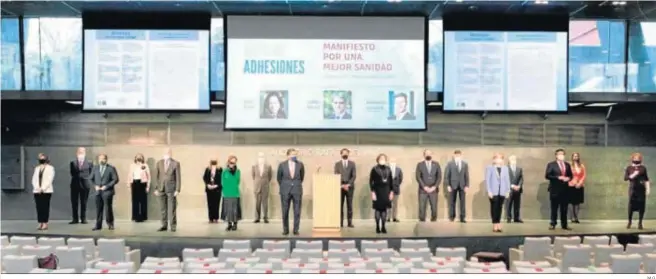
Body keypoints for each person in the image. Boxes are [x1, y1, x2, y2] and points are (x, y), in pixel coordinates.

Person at [277, 148, 305, 235]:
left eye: (295, 154)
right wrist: (285, 185)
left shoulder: (300, 164)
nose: (294, 156)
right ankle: (285, 229)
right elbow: (279, 178)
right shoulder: (282, 165)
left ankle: (296, 229)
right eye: (293, 154)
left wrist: (295, 184)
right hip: (285, 191)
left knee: (297, 211)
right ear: (288, 155)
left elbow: (302, 177)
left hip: (297, 190)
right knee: (285, 211)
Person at [544, 148, 573, 230]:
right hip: (555, 190)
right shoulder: (551, 164)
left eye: (563, 154)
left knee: (564, 208)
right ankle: (553, 223)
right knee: (554, 208)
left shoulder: (567, 165)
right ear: (556, 156)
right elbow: (547, 175)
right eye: (559, 154)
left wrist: (568, 178)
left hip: (565, 190)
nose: (561, 156)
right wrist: (558, 177)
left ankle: (564, 224)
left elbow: (571, 176)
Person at [154, 148, 181, 232]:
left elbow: (178, 177)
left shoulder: (175, 163)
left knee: (172, 208)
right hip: (161, 188)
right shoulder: (159, 163)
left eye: (169, 152)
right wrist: (156, 188)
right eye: (165, 152)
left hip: (171, 189)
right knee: (162, 208)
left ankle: (173, 226)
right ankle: (163, 225)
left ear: (171, 153)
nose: (167, 153)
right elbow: (156, 177)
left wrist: (177, 189)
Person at [90, 154, 119, 231]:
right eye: (100, 159)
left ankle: (110, 224)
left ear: (106, 160)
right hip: (98, 191)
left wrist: (106, 186)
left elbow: (115, 179)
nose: (101, 160)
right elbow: (91, 179)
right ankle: (98, 225)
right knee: (99, 209)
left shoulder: (111, 168)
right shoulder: (95, 168)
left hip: (107, 191)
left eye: (103, 159)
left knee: (108, 208)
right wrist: (95, 186)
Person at [485, 153, 511, 233]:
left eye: (500, 158)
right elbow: (488, 180)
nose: (499, 160)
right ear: (494, 159)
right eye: (497, 158)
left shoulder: (505, 168)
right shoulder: (490, 168)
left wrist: (508, 190)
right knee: (494, 208)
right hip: (493, 192)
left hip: (502, 191)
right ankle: (495, 224)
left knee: (500, 208)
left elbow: (507, 180)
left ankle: (498, 223)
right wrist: (489, 191)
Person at [369, 154, 394, 234]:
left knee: (384, 209)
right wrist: (372, 192)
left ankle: (383, 226)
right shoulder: (374, 169)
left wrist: (391, 192)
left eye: (383, 158)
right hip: (377, 190)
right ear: (378, 159)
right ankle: (377, 227)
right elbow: (371, 181)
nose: (382, 159)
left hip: (386, 191)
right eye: (381, 158)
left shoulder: (388, 169)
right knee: (377, 209)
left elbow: (391, 182)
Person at [625, 153, 650, 229]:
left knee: (642, 206)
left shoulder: (643, 168)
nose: (637, 159)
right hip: (632, 190)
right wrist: (633, 174)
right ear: (632, 158)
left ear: (640, 159)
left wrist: (648, 189)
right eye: (635, 158)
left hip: (641, 191)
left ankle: (640, 223)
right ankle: (629, 222)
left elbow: (646, 179)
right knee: (631, 206)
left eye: (638, 158)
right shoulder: (629, 168)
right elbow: (626, 178)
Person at [415, 149, 441, 222]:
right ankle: (422, 220)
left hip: (434, 190)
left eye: (429, 153)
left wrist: (434, 187)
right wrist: (424, 186)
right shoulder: (420, 165)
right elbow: (418, 177)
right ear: (424, 155)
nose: (428, 155)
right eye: (426, 153)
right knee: (422, 207)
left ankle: (433, 220)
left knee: (434, 207)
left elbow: (439, 177)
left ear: (432, 155)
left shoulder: (436, 164)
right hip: (423, 190)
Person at [444, 150, 469, 223]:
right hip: (452, 185)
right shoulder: (450, 164)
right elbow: (447, 175)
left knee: (462, 202)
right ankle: (452, 217)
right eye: (456, 155)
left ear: (461, 156)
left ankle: (462, 217)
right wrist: (448, 185)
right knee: (452, 202)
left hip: (462, 185)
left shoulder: (464, 164)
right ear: (454, 156)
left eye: (459, 155)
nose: (458, 156)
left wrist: (467, 185)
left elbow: (466, 175)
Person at [69, 147, 93, 224]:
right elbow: (72, 173)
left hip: (85, 185)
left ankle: (83, 219)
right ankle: (75, 219)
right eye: (79, 151)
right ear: (77, 153)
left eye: (82, 151)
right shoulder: (72, 162)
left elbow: (91, 173)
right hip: (75, 184)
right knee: (74, 202)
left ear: (85, 153)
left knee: (84, 202)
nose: (80, 153)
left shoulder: (89, 162)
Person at [334, 148, 356, 228]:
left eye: (346, 153)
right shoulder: (337, 164)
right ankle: (340, 223)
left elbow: (354, 176)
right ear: (341, 154)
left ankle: (350, 223)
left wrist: (348, 185)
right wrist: (342, 185)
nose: (345, 154)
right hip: (340, 187)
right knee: (340, 205)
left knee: (349, 205)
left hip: (350, 187)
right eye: (343, 153)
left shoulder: (352, 163)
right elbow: (336, 175)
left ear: (348, 154)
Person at [32, 153, 54, 230]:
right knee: (39, 207)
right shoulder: (37, 168)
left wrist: (43, 188)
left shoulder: (50, 168)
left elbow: (49, 179)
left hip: (46, 191)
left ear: (46, 159)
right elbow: (34, 179)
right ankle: (40, 222)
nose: (41, 159)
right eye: (40, 158)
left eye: (42, 158)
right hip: (37, 191)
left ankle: (45, 223)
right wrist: (37, 188)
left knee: (45, 207)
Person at [127, 153, 150, 222]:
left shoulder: (145, 165)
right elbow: (129, 175)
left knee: (143, 201)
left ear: (142, 158)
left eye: (140, 157)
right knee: (135, 201)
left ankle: (143, 217)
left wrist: (148, 186)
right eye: (137, 156)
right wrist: (128, 185)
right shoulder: (132, 165)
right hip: (134, 183)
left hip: (143, 183)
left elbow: (149, 176)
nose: (139, 158)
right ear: (135, 158)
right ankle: (135, 216)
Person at [221, 156, 242, 231]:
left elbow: (237, 181)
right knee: (228, 210)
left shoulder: (238, 171)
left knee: (234, 209)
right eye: (231, 162)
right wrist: (224, 190)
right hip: (227, 193)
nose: (232, 164)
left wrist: (233, 171)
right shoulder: (224, 171)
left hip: (235, 193)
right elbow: (222, 182)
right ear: (228, 162)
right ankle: (229, 224)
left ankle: (235, 224)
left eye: (234, 163)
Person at [252, 152, 272, 223]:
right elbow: (253, 176)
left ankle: (265, 217)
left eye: (262, 157)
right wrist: (258, 183)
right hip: (257, 187)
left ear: (264, 158)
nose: (261, 158)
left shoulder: (268, 166)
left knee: (265, 203)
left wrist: (264, 183)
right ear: (258, 158)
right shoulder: (254, 166)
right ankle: (257, 218)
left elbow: (269, 177)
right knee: (257, 203)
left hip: (265, 187)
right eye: (260, 157)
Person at [506, 155, 524, 223]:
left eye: (515, 159)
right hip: (509, 189)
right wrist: (512, 186)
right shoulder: (506, 168)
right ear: (509, 161)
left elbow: (521, 179)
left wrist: (519, 186)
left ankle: (516, 218)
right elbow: (505, 179)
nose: (514, 161)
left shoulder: (519, 169)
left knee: (517, 204)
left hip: (518, 190)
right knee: (509, 204)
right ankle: (509, 217)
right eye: (512, 159)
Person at [203, 159, 222, 223]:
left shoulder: (220, 169)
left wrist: (217, 185)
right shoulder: (207, 169)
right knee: (210, 204)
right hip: (209, 189)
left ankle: (216, 218)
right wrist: (208, 184)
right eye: (212, 163)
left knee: (216, 204)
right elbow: (204, 177)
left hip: (217, 189)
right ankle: (211, 218)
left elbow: (222, 178)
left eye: (215, 163)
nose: (213, 164)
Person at [569, 152, 586, 224]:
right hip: (571, 186)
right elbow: (568, 175)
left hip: (580, 186)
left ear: (578, 157)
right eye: (574, 156)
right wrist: (573, 182)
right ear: (572, 157)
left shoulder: (582, 166)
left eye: (577, 156)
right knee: (572, 203)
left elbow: (584, 175)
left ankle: (576, 217)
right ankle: (572, 217)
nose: (575, 157)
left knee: (578, 203)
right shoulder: (569, 166)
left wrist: (580, 183)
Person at [387, 157, 403, 222]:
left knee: (395, 204)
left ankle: (394, 217)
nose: (393, 162)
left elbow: (400, 179)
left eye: (394, 161)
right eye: (391, 161)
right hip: (387, 189)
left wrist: (396, 184)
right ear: (389, 162)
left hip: (396, 189)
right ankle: (387, 218)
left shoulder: (399, 169)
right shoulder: (386, 169)